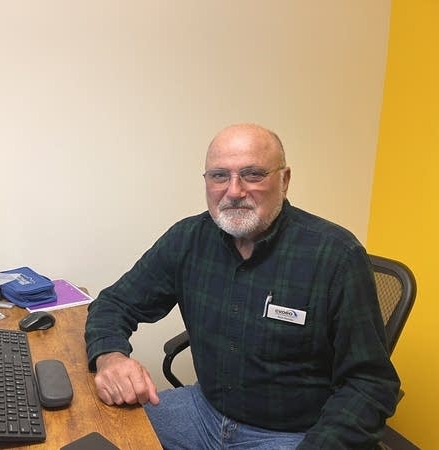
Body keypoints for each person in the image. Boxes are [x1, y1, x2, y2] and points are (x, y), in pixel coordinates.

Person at [84, 124, 399, 449]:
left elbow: (370, 383)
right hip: (202, 412)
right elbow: (113, 303)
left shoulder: (336, 257)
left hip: (292, 434)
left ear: (284, 180)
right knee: (95, 434)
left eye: (252, 174)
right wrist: (110, 357)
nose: (234, 191)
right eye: (219, 176)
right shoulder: (187, 240)